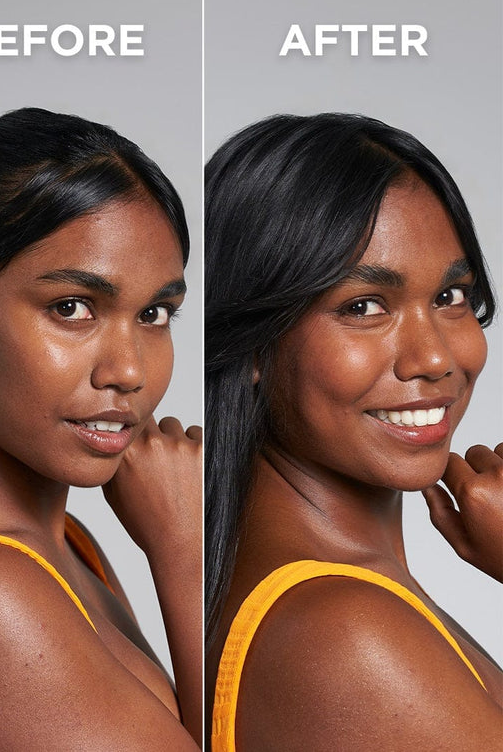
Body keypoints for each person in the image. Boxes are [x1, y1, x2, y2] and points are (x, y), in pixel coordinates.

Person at [0, 108, 202, 750]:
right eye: (72, 308)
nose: (128, 371)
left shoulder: (64, 541)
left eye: (154, 313)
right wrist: (185, 553)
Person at [205, 113, 502, 750]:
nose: (433, 358)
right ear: (256, 343)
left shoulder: (330, 603)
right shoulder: (346, 635)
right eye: (364, 306)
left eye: (452, 295)